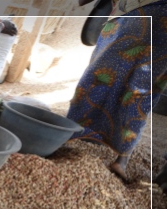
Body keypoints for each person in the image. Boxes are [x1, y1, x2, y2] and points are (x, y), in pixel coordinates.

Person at [66, 0, 167, 182]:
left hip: (134, 12)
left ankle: (70, 134)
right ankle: (121, 160)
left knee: (99, 76)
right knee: (142, 90)